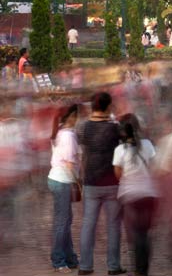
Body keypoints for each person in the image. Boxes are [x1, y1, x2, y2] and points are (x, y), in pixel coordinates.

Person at [78, 91, 125, 275]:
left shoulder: (83, 127)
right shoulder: (115, 127)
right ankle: (113, 266)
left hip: (91, 181)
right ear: (108, 106)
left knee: (88, 224)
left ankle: (85, 266)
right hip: (112, 181)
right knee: (113, 226)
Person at [112, 114, 158, 276]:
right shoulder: (148, 145)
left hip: (129, 196)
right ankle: (144, 269)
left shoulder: (119, 150)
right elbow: (154, 168)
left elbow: (118, 174)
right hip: (149, 195)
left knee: (135, 234)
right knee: (145, 234)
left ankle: (138, 270)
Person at [49, 104, 80, 273]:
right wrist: (78, 182)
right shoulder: (68, 135)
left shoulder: (60, 132)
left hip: (56, 178)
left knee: (65, 221)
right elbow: (70, 164)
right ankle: (58, 260)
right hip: (63, 180)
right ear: (72, 116)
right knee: (63, 223)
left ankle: (70, 258)